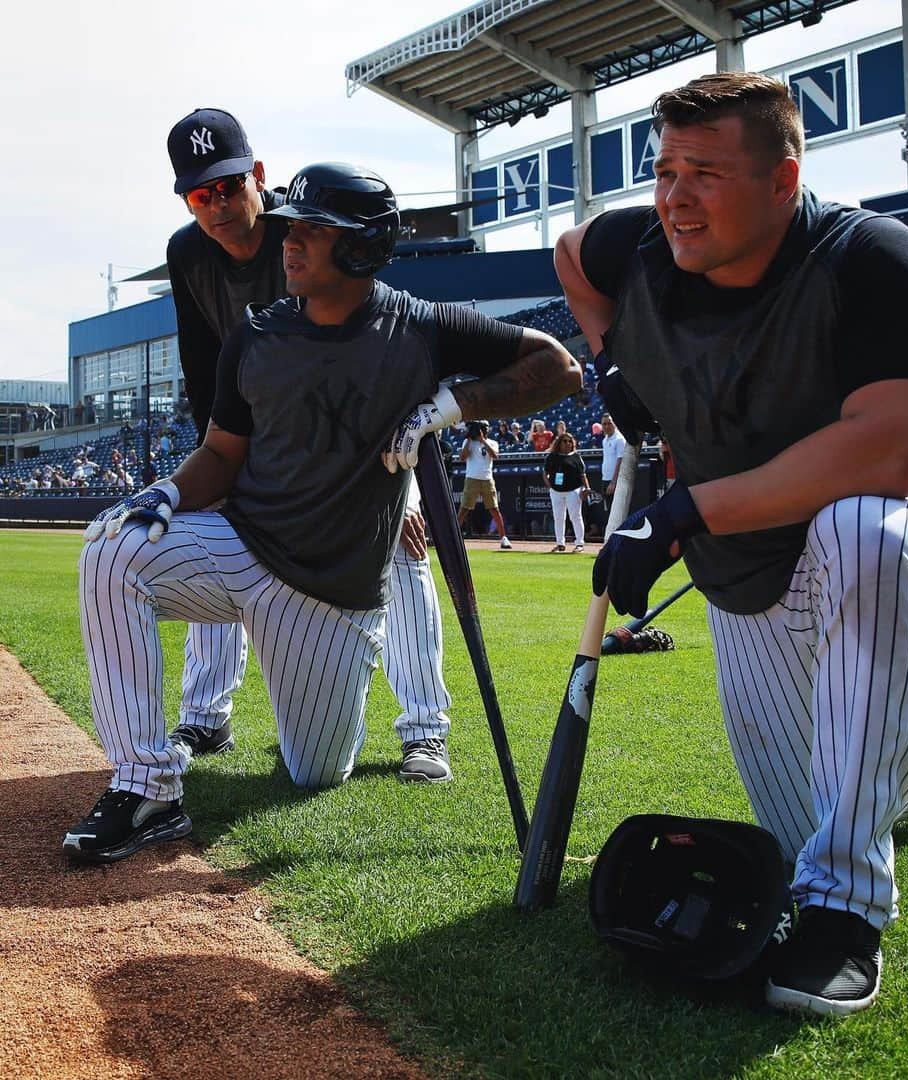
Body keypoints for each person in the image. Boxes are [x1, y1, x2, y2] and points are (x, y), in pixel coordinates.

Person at [554, 72, 908, 1018]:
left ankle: (848, 913)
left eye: (707, 173)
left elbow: (890, 455)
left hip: (887, 541)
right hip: (745, 574)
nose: (676, 198)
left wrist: (683, 514)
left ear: (783, 179)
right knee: (808, 818)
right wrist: (616, 363)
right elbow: (571, 252)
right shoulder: (640, 246)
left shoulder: (870, 256)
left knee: (863, 533)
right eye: (666, 170)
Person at [64, 162, 580, 864]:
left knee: (313, 771)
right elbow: (221, 452)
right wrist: (166, 493)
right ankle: (148, 785)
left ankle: (370, 717)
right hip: (241, 546)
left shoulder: (421, 328)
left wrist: (452, 407)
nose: (291, 243)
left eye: (314, 230)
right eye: (291, 228)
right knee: (112, 554)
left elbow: (558, 367)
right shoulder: (254, 335)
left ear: (363, 246)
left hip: (328, 598)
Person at [164, 109, 457, 783]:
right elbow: (203, 370)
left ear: (256, 177)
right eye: (199, 194)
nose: (216, 206)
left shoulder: (304, 231)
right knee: (214, 530)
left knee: (402, 544)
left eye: (228, 187)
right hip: (263, 438)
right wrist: (220, 469)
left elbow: (382, 350)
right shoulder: (187, 254)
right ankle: (206, 719)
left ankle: (424, 731)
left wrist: (400, 484)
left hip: (365, 429)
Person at [457, 419, 513, 549]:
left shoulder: (492, 442)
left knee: (494, 508)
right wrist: (469, 439)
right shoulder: (468, 442)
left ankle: (503, 538)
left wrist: (483, 441)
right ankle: (453, 536)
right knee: (464, 509)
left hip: (487, 478)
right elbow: (462, 457)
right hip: (472, 478)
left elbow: (494, 455)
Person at [543, 431, 589, 552]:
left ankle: (579, 544)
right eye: (564, 441)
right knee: (558, 517)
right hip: (556, 491)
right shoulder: (552, 456)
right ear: (559, 443)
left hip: (573, 490)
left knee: (575, 516)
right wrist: (550, 487)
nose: (567, 443)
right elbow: (545, 473)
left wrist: (587, 488)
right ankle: (560, 544)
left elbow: (583, 475)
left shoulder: (576, 457)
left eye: (570, 441)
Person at [599, 413, 627, 511]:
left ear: (614, 423)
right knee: (609, 511)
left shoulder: (619, 439)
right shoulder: (604, 440)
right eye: (604, 424)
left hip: (615, 481)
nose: (606, 426)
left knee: (617, 511)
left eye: (609, 423)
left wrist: (614, 482)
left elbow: (621, 460)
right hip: (605, 479)